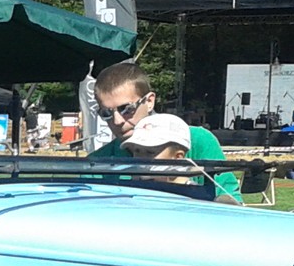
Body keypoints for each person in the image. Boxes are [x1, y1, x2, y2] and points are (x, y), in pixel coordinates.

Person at [90, 60, 240, 200]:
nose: (117, 121)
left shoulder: (198, 140)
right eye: (106, 113)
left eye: (126, 109)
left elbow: (230, 204)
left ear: (149, 101)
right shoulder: (96, 163)